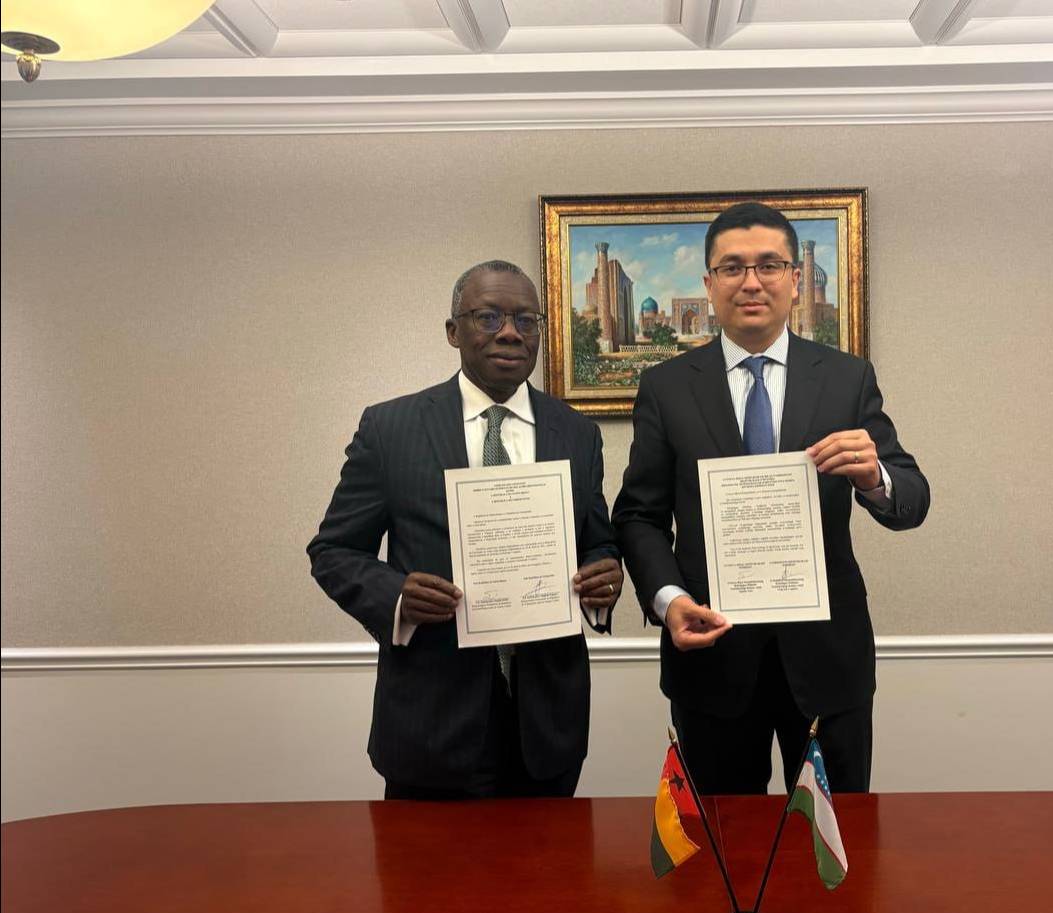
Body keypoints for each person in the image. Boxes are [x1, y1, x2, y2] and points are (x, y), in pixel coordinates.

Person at [612, 202, 929, 795]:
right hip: (711, 657)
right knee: (723, 842)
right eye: (732, 267)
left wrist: (874, 477)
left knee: (833, 841)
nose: (751, 282)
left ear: (794, 277)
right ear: (709, 283)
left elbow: (912, 497)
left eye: (768, 265)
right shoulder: (666, 387)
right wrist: (668, 599)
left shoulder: (846, 377)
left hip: (828, 661)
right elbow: (638, 516)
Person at [308, 259, 622, 800]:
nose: (509, 332)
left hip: (547, 726)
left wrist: (604, 575)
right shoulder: (390, 428)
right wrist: (397, 596)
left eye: (526, 320)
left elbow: (596, 539)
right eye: (488, 317)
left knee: (549, 860)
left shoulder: (576, 432)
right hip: (430, 722)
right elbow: (333, 550)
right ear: (453, 331)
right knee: (424, 862)